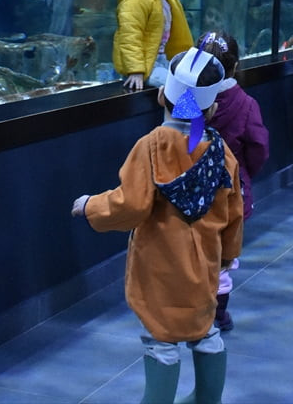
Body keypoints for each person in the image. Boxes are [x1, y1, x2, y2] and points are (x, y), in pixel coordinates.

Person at [72, 42, 243, 404]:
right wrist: (227, 255)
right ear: (212, 109)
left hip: (160, 269)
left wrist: (90, 207)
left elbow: (130, 205)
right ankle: (206, 400)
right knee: (205, 331)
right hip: (203, 268)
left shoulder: (151, 146)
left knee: (162, 341)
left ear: (162, 94)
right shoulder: (222, 152)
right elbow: (234, 211)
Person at [204, 31, 269, 333]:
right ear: (236, 65)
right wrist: (244, 175)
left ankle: (193, 305)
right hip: (232, 194)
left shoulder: (190, 100)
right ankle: (220, 313)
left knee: (196, 247)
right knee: (224, 255)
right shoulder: (246, 104)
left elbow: (181, 139)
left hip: (194, 193)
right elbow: (258, 147)